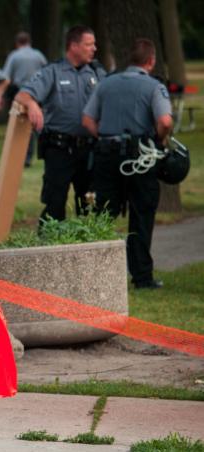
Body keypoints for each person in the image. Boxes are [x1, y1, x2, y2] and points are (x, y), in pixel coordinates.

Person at [82, 38, 173, 290]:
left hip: (107, 155)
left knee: (103, 215)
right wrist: (160, 140)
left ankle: (99, 277)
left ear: (129, 59)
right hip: (140, 158)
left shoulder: (106, 83)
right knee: (141, 215)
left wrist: (107, 139)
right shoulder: (154, 87)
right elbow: (164, 121)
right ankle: (142, 277)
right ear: (151, 61)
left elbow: (88, 120)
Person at [16, 25, 106, 224]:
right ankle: (49, 246)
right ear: (73, 46)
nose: (94, 48)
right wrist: (32, 104)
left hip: (89, 150)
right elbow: (22, 94)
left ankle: (87, 245)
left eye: (94, 44)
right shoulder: (53, 72)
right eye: (89, 44)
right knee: (55, 204)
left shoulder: (97, 73)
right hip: (59, 150)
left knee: (89, 204)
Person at [1, 32, 47, 166]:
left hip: (20, 93)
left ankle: (25, 158)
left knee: (21, 126)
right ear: (29, 42)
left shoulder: (14, 56)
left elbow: (6, 77)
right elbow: (47, 72)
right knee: (38, 123)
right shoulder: (38, 55)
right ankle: (46, 152)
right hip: (37, 91)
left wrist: (1, 95)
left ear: (17, 43)